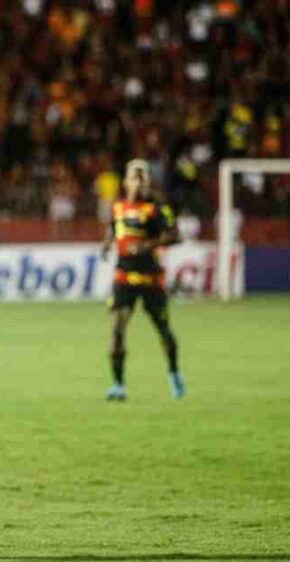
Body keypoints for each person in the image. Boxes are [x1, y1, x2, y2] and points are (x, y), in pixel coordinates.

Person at [101, 159, 184, 401]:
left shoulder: (156, 209)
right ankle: (118, 385)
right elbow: (113, 229)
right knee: (116, 329)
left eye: (142, 178)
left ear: (147, 182)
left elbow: (174, 235)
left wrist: (147, 246)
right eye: (133, 178)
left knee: (163, 331)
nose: (137, 183)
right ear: (126, 181)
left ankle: (174, 372)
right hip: (124, 276)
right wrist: (106, 244)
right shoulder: (118, 208)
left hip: (150, 278)